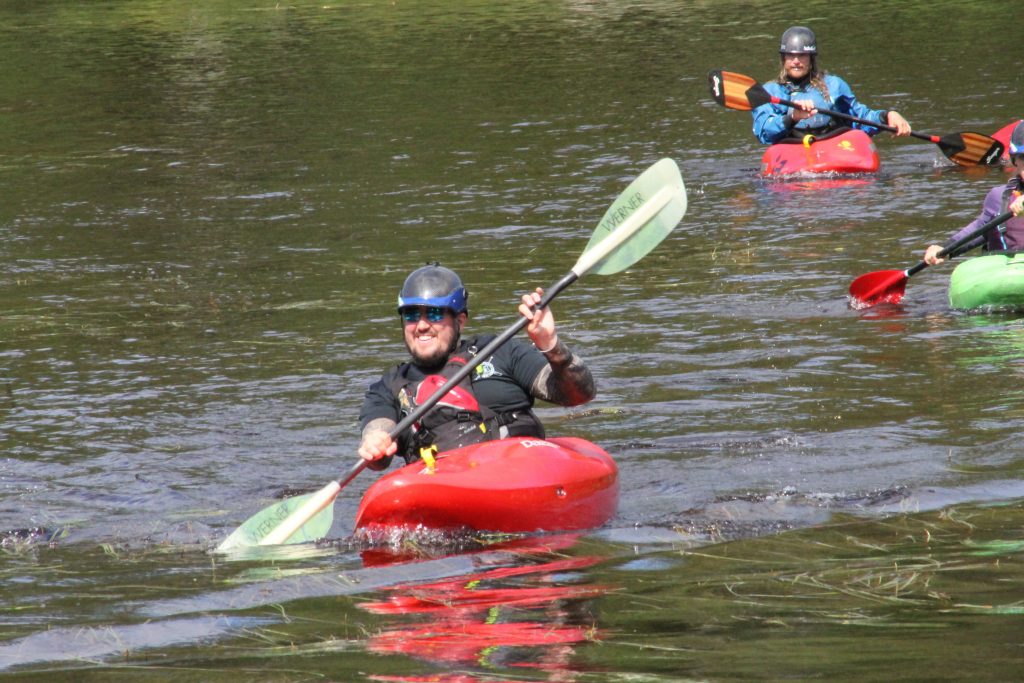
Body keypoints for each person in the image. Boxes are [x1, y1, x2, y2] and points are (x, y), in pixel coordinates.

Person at [357, 263, 596, 469]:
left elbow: (577, 395)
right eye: (411, 315)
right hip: (441, 486)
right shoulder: (389, 387)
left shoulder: (499, 350)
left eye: (434, 314)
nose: (421, 325)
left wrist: (550, 344)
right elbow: (378, 437)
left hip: (518, 470)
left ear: (460, 320)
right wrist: (375, 441)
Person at [752, 26, 912, 145]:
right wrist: (792, 118)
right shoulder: (769, 92)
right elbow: (764, 132)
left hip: (833, 147)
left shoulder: (834, 85)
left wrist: (887, 116)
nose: (796, 61)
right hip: (793, 150)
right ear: (783, 58)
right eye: (791, 55)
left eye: (802, 55)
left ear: (811, 58)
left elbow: (859, 118)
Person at [923, 121, 1024, 265]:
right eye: (1023, 158)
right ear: (1015, 161)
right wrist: (945, 248)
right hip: (1007, 274)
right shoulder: (999, 197)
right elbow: (979, 228)